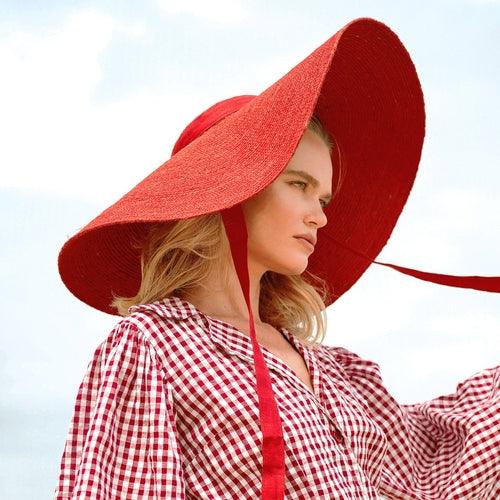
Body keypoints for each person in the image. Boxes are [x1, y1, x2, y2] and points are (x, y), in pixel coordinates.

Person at [54, 17, 499, 499]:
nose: (320, 218)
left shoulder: (337, 373)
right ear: (232, 191)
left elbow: (447, 456)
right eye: (299, 185)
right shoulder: (153, 348)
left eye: (324, 198)